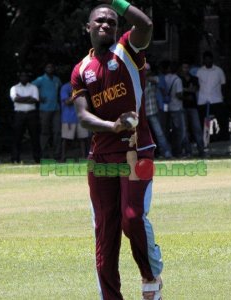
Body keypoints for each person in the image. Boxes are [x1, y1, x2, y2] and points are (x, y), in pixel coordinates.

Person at [70, 1, 163, 299]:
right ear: (88, 27)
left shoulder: (128, 50)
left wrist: (119, 1)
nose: (105, 25)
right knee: (105, 231)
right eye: (99, 20)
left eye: (111, 21)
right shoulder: (81, 69)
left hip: (138, 150)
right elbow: (83, 117)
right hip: (100, 159)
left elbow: (146, 25)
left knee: (132, 217)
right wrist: (113, 127)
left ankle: (151, 277)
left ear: (118, 28)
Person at [197, 51, 229, 141]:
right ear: (203, 60)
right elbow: (198, 85)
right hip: (202, 100)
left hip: (217, 99)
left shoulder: (219, 71)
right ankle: (205, 138)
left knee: (221, 119)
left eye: (209, 59)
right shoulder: (199, 71)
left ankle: (223, 137)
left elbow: (223, 85)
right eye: (206, 59)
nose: (208, 61)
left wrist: (223, 97)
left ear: (212, 59)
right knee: (202, 121)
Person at [10, 70, 41, 163]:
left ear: (28, 78)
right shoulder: (14, 88)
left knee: (35, 136)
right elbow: (15, 99)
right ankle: (15, 158)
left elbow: (35, 100)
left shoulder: (33, 87)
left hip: (31, 114)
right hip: (19, 114)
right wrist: (28, 97)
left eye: (25, 76)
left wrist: (21, 98)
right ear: (19, 78)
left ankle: (37, 159)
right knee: (17, 137)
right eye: (22, 76)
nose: (24, 78)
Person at [32, 63, 62, 160]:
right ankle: (43, 154)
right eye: (48, 67)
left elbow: (60, 91)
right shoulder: (40, 79)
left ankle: (57, 154)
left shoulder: (57, 79)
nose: (50, 68)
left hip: (56, 109)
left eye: (51, 67)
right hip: (44, 109)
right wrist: (38, 98)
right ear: (45, 69)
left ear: (54, 68)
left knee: (57, 131)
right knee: (45, 132)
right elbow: (31, 88)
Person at [145, 63, 172, 159]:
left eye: (147, 70)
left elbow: (160, 82)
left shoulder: (153, 79)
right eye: (144, 70)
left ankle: (166, 152)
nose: (145, 72)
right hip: (142, 114)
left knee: (159, 133)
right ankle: (144, 154)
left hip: (152, 111)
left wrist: (146, 78)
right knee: (142, 136)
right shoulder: (137, 80)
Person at [179, 61, 205, 157]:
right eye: (183, 67)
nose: (185, 69)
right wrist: (187, 90)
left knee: (197, 129)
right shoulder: (179, 79)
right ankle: (188, 151)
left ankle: (201, 151)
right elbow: (179, 92)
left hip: (193, 107)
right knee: (185, 130)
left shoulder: (194, 79)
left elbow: (195, 89)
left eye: (187, 67)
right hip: (182, 107)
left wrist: (184, 89)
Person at [60, 81, 89, 161]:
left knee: (83, 139)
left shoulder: (83, 87)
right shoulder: (65, 87)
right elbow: (67, 102)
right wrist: (78, 95)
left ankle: (84, 158)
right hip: (68, 118)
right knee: (66, 139)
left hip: (81, 117)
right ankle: (63, 158)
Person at [165, 61, 185, 157]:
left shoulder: (165, 78)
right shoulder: (178, 80)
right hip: (177, 107)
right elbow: (178, 94)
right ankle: (178, 151)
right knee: (180, 131)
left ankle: (171, 150)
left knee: (170, 130)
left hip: (169, 107)